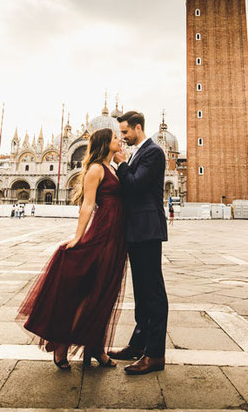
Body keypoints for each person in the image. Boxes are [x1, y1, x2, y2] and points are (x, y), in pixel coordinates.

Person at [18, 128, 128, 370]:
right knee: (84, 292)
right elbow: (88, 205)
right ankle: (61, 345)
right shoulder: (96, 169)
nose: (120, 140)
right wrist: (79, 238)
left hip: (117, 237)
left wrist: (123, 162)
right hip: (102, 234)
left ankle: (96, 348)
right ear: (104, 143)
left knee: (104, 294)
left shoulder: (114, 168)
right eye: (115, 138)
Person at [108, 111, 168, 375]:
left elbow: (134, 184)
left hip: (147, 228)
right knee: (141, 291)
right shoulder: (139, 152)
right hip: (136, 229)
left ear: (138, 128)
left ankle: (154, 355)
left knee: (152, 292)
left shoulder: (153, 152)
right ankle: (138, 343)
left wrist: (121, 164)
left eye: (125, 132)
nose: (122, 137)